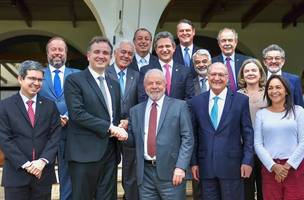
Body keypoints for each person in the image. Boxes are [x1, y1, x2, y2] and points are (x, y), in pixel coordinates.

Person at [64, 36, 128, 200]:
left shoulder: (113, 83)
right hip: (84, 154)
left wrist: (120, 123)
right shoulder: (74, 80)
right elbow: (77, 114)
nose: (101, 56)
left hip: (110, 152)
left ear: (111, 57)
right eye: (97, 52)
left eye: (106, 53)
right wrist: (110, 127)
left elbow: (114, 115)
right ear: (88, 55)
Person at [190, 62, 254, 200]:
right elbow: (193, 136)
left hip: (233, 167)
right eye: (213, 74)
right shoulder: (196, 102)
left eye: (221, 75)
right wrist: (194, 162)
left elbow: (248, 133)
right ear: (207, 77)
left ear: (228, 78)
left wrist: (247, 161)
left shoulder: (240, 100)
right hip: (205, 166)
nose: (217, 78)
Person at [127, 69, 194, 200]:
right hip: (145, 175)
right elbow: (132, 141)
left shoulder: (180, 106)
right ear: (144, 86)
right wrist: (123, 134)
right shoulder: (135, 111)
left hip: (172, 173)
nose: (154, 87)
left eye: (158, 83)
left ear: (165, 84)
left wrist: (181, 167)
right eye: (150, 83)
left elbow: (188, 138)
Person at [0, 60, 61, 200]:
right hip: (16, 175)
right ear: (20, 79)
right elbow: (4, 138)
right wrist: (27, 165)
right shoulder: (4, 106)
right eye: (32, 78)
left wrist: (42, 161)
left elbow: (55, 136)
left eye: (40, 79)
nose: (37, 83)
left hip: (43, 174)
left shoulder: (50, 106)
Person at [39, 36, 80, 200]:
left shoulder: (77, 74)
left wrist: (69, 116)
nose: (57, 53)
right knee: (41, 178)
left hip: (70, 134)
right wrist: (54, 118)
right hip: (44, 135)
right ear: (47, 53)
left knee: (68, 178)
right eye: (53, 49)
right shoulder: (37, 74)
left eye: (60, 49)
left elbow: (81, 99)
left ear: (66, 53)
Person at [254, 75, 304, 200]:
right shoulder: (261, 114)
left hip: (294, 169)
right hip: (270, 169)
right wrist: (274, 166)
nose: (274, 91)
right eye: (270, 88)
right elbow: (258, 144)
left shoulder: (298, 112)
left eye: (278, 87)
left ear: (286, 91)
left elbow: (303, 141)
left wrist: (287, 166)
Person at [106, 40, 140, 200]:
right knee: (107, 173)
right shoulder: (104, 73)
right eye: (123, 52)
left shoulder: (138, 76)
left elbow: (141, 103)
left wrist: (129, 120)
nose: (126, 56)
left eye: (130, 54)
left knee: (130, 174)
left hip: (129, 131)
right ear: (115, 53)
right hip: (107, 131)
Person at [237, 58, 267, 200]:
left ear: (260, 73)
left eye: (254, 70)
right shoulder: (236, 95)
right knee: (246, 189)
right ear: (242, 75)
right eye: (246, 71)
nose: (250, 73)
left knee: (265, 188)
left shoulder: (269, 94)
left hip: (266, 148)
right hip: (244, 149)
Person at [138, 31, 194, 102]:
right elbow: (143, 97)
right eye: (161, 47)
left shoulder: (185, 71)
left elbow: (190, 98)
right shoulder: (145, 70)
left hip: (178, 112)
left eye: (167, 46)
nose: (164, 50)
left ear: (173, 48)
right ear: (156, 50)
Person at [212, 27, 250, 92]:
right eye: (223, 41)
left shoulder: (246, 61)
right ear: (219, 43)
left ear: (236, 42)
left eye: (230, 40)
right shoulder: (212, 62)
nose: (227, 43)